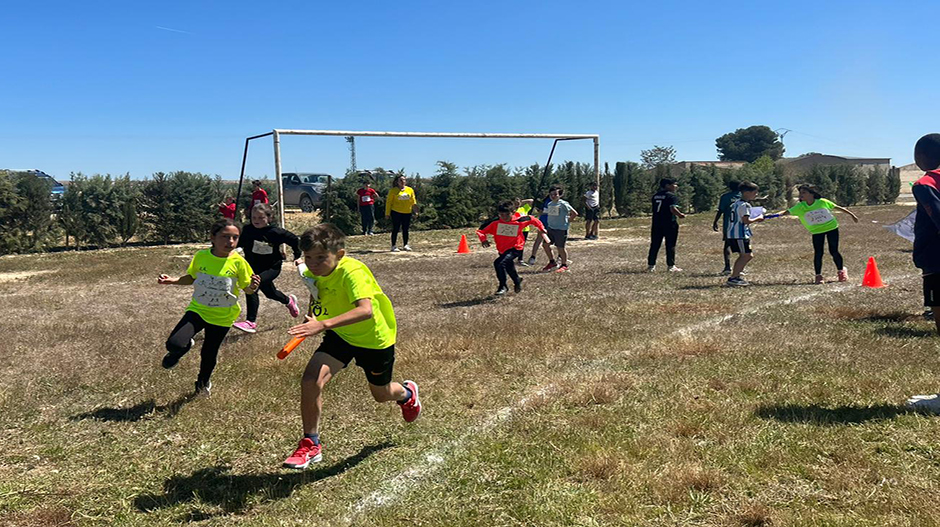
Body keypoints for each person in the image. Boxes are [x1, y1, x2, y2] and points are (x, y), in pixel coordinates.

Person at [281, 224, 421, 469]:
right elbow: (317, 292)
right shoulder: (314, 271)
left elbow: (365, 311)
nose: (313, 264)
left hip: (373, 339)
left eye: (321, 258)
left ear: (340, 254)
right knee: (310, 380)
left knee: (381, 394)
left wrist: (322, 324)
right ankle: (310, 443)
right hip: (340, 336)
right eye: (309, 258)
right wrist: (314, 316)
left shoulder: (353, 272)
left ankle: (407, 394)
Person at [158, 219, 261, 396]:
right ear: (213, 237)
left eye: (235, 238)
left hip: (223, 316)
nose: (230, 242)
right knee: (173, 343)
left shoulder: (239, 262)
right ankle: (181, 349)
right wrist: (172, 280)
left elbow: (247, 288)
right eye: (225, 236)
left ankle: (203, 383)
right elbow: (192, 277)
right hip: (198, 310)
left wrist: (253, 286)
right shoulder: (201, 256)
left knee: (209, 353)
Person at [232, 204, 302, 333]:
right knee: (270, 293)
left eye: (260, 217)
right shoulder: (247, 230)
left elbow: (294, 240)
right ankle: (288, 301)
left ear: (269, 218)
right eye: (253, 217)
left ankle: (250, 322)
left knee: (252, 286)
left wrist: (297, 255)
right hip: (252, 267)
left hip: (272, 267)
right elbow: (236, 242)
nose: (256, 220)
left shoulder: (275, 232)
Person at [774, 184, 858, 284]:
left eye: (804, 193)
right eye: (800, 193)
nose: (801, 195)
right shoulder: (800, 207)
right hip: (817, 231)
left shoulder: (822, 202)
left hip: (831, 228)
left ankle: (841, 271)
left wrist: (852, 215)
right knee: (818, 253)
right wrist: (773, 215)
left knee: (834, 251)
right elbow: (786, 212)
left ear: (812, 194)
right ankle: (818, 276)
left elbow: (837, 207)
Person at [477, 200, 549, 295]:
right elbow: (481, 230)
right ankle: (517, 280)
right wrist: (483, 239)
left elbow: (532, 219)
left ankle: (503, 286)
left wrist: (541, 228)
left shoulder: (519, 220)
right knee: (509, 266)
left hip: (516, 248)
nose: (504, 217)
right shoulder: (495, 222)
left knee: (499, 263)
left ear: (513, 212)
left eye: (507, 215)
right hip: (502, 249)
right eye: (501, 214)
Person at [724, 181, 764, 287]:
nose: (756, 195)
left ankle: (736, 276)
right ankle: (734, 277)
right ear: (746, 192)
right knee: (746, 256)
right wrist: (758, 218)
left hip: (735, 234)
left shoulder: (736, 203)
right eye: (754, 193)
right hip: (739, 234)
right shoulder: (744, 205)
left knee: (745, 255)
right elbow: (746, 220)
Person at [647, 178, 686, 272]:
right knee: (670, 244)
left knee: (655, 244)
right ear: (667, 185)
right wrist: (680, 215)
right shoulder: (672, 196)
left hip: (656, 223)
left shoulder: (655, 196)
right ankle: (671, 266)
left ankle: (651, 266)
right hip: (669, 223)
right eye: (674, 184)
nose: (676, 186)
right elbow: (672, 209)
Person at [542, 184, 578, 273]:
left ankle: (564, 265)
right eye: (551, 194)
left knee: (560, 247)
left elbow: (574, 213)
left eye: (555, 194)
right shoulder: (550, 204)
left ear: (560, 195)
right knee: (545, 245)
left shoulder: (563, 204)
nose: (553, 196)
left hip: (561, 229)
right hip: (551, 228)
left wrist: (568, 221)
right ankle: (552, 262)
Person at [712, 181, 740, 275]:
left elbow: (720, 210)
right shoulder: (742, 196)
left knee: (727, 244)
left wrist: (715, 221)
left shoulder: (725, 197)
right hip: (740, 224)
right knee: (741, 245)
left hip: (728, 224)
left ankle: (727, 267)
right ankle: (740, 267)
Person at [385, 175, 418, 252]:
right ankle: (393, 245)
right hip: (396, 212)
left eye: (404, 180)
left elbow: (413, 201)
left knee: (405, 229)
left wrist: (415, 211)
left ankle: (405, 244)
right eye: (401, 180)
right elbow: (389, 202)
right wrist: (387, 213)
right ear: (397, 182)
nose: (403, 181)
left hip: (407, 212)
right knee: (396, 229)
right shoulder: (393, 191)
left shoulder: (410, 190)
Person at [526, 193, 554, 266]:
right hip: (544, 222)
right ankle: (533, 256)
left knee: (548, 241)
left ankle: (557, 258)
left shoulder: (556, 202)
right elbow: (540, 211)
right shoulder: (546, 201)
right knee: (539, 239)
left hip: (552, 222)